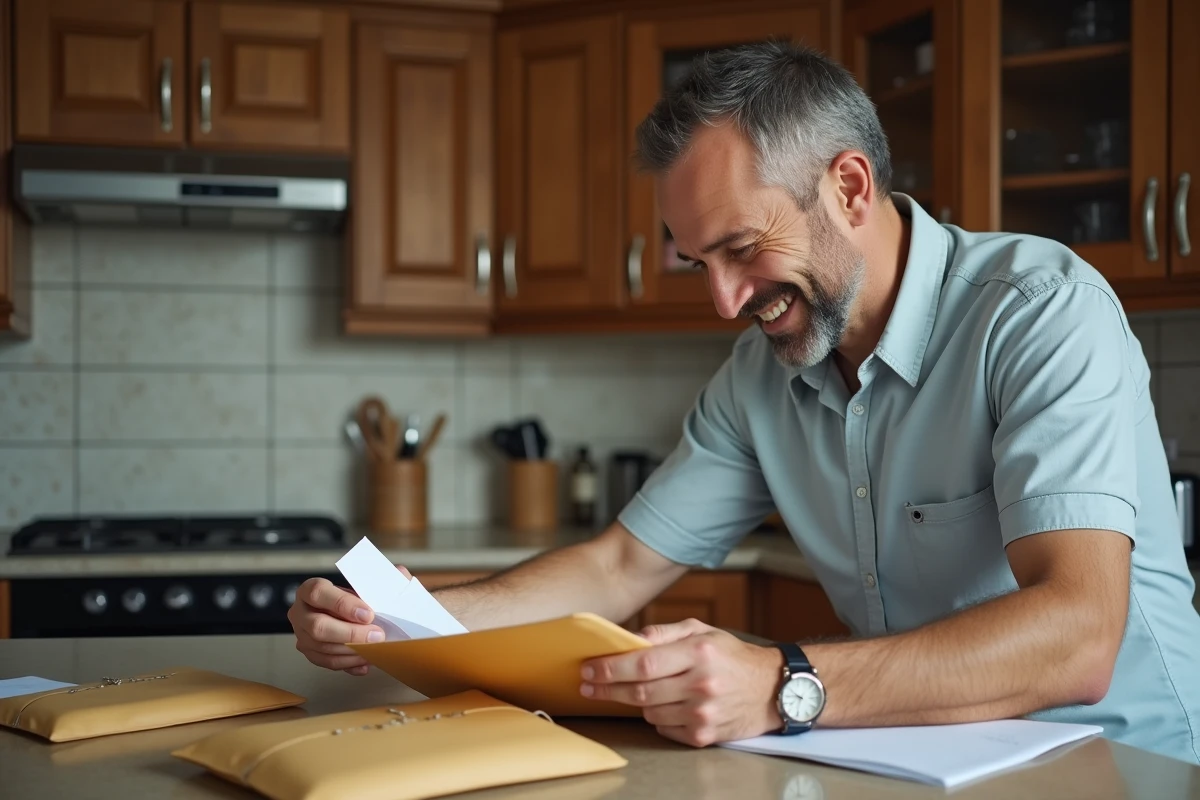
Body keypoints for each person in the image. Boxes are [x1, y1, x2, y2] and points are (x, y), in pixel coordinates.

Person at [289, 41, 1200, 764]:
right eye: (699, 263)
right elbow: (614, 569)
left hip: (1123, 769)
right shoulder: (761, 374)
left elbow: (1079, 634)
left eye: (741, 248)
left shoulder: (1040, 312)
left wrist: (780, 681)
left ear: (848, 187)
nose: (725, 300)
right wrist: (402, 619)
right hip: (927, 757)